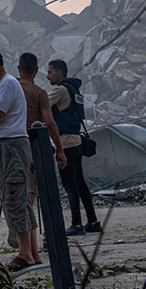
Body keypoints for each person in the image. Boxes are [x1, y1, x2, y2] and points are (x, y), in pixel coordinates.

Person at [0, 46, 40, 271]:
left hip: (9, 148)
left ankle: (25, 256)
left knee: (13, 196)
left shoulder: (6, 84)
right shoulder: (3, 85)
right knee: (21, 199)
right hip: (4, 148)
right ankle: (33, 252)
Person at [47, 60, 99, 234]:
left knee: (70, 185)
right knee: (80, 183)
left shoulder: (61, 90)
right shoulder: (74, 90)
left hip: (66, 143)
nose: (48, 76)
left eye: (50, 72)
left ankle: (76, 224)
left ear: (59, 73)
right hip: (76, 141)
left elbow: (42, 105)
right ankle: (92, 221)